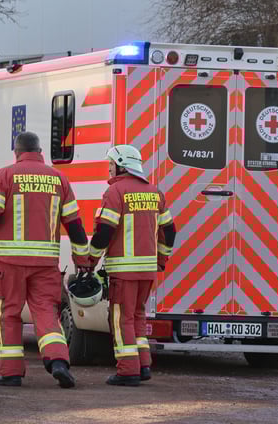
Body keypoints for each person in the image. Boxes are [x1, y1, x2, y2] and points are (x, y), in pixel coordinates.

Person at [0, 131, 92, 388]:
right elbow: (74, 225)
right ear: (40, 151)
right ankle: (59, 362)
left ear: (17, 152)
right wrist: (82, 256)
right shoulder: (59, 179)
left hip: (9, 263)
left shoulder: (5, 176)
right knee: (46, 314)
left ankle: (11, 373)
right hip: (45, 264)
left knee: (8, 314)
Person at [89, 145, 177, 386]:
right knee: (138, 315)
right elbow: (169, 232)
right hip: (147, 271)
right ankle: (143, 365)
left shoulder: (115, 192)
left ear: (121, 165)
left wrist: (90, 260)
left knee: (121, 319)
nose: (109, 169)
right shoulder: (155, 193)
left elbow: (104, 231)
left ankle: (128, 370)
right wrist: (161, 259)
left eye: (111, 164)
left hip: (123, 271)